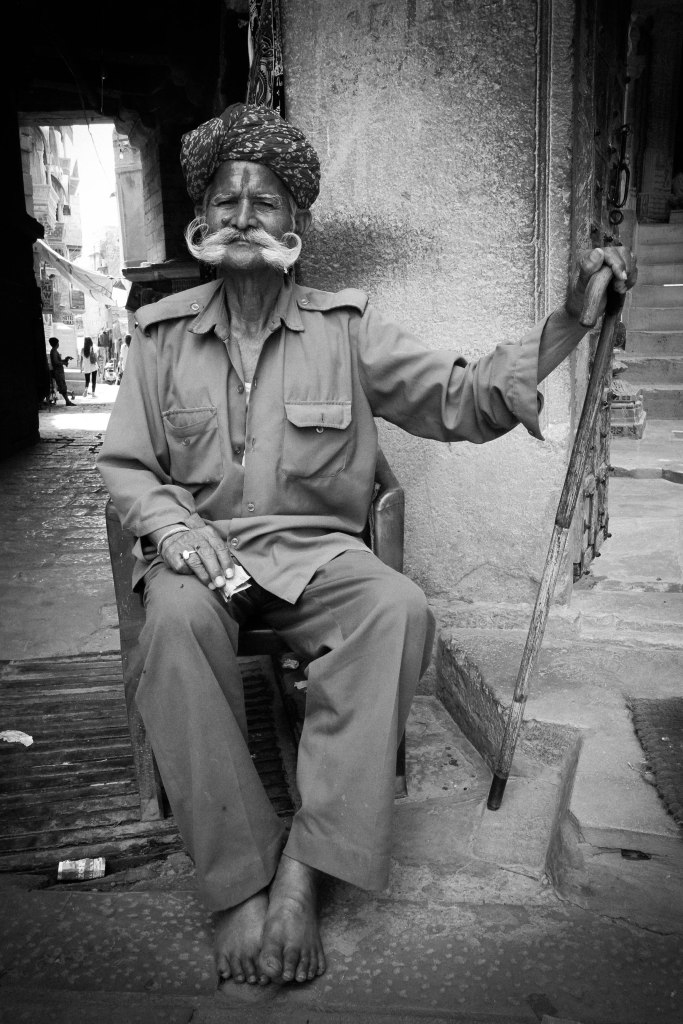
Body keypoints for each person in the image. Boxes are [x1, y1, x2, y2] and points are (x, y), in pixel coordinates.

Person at [97, 103, 636, 994]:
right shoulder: (158, 339)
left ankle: (305, 872)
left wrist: (567, 326)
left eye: (265, 202)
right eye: (226, 200)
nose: (243, 217)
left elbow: (460, 397)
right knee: (174, 627)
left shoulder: (345, 330)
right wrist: (177, 530)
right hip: (206, 554)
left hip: (317, 556)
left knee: (396, 607)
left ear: (295, 225)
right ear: (201, 219)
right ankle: (238, 883)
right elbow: (125, 465)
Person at [48, 337, 75, 406]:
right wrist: (64, 363)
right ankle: (67, 401)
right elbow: (56, 362)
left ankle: (67, 401)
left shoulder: (54, 351)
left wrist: (66, 359)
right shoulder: (54, 351)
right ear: (56, 344)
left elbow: (58, 361)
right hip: (58, 372)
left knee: (62, 386)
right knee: (62, 386)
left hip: (59, 371)